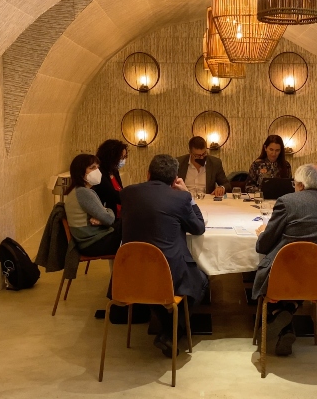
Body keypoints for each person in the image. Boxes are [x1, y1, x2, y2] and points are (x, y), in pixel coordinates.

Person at [252, 164, 317, 356]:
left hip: (283, 277)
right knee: (301, 275)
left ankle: (278, 313)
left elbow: (264, 245)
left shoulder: (287, 202)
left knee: (278, 273)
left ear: (301, 185)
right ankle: (286, 318)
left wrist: (262, 233)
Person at [121, 154, 209, 357]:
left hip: (130, 272)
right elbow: (198, 228)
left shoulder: (127, 193)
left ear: (148, 174)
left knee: (153, 285)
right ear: (175, 179)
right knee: (201, 281)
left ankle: (167, 330)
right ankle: (172, 332)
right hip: (168, 272)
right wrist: (188, 196)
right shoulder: (180, 198)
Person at [64, 154, 122, 257]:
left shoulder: (77, 191)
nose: (97, 171)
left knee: (129, 224)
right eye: (92, 168)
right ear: (80, 172)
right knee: (134, 227)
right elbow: (109, 219)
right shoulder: (83, 193)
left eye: (97, 167)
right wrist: (107, 211)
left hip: (92, 240)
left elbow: (105, 218)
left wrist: (103, 217)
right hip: (94, 243)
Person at [92, 139, 128, 218]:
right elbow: (112, 195)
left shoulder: (114, 171)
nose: (123, 160)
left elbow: (120, 190)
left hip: (119, 215)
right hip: (108, 216)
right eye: (121, 157)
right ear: (111, 157)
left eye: (124, 157)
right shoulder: (99, 173)